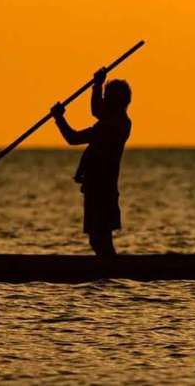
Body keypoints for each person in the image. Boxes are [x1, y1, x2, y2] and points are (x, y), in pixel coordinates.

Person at [51, 68, 132, 257]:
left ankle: (112, 272)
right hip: (95, 187)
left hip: (103, 189)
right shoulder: (111, 121)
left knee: (100, 238)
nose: (103, 100)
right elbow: (97, 111)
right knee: (97, 239)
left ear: (115, 102)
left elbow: (73, 138)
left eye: (106, 97)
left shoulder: (114, 126)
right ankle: (108, 273)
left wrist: (59, 118)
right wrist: (97, 85)